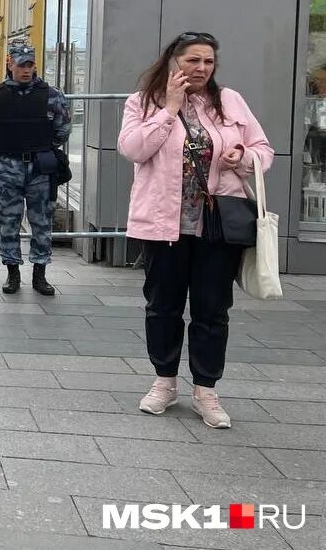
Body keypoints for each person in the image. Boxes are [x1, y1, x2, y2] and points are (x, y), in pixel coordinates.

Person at [118, 32, 272, 429]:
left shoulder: (230, 101)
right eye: (192, 61)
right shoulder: (142, 102)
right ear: (174, 62)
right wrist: (168, 108)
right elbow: (134, 149)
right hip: (162, 223)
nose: (201, 69)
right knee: (163, 305)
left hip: (217, 226)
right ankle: (164, 382)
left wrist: (242, 157)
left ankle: (206, 389)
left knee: (212, 309)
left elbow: (263, 150)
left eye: (208, 62)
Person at [0, 42, 71, 296]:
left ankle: (40, 274)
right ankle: (12, 273)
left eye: (30, 65)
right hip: (8, 167)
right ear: (10, 64)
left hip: (40, 168)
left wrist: (41, 146)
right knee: (9, 221)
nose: (26, 70)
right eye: (21, 65)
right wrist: (2, 148)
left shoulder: (52, 95)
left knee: (42, 222)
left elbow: (63, 129)